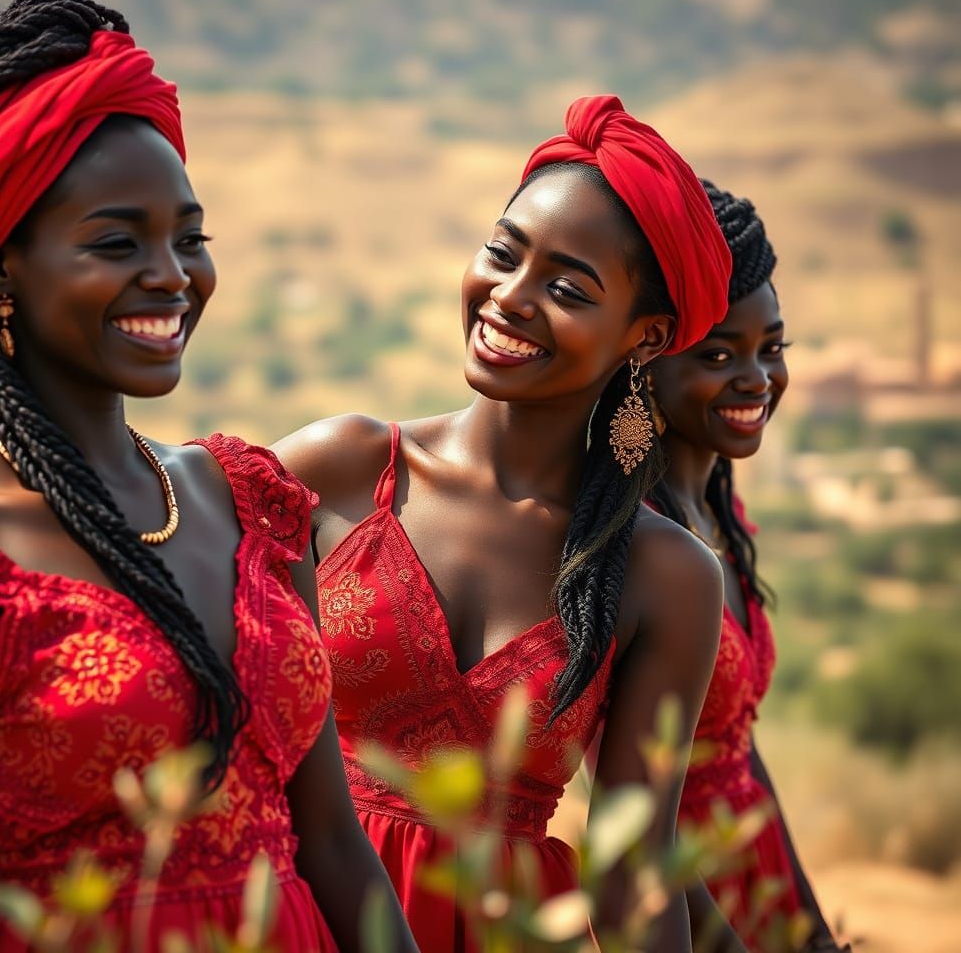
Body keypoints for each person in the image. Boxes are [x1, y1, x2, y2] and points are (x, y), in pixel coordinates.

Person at [0, 0, 416, 952]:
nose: (171, 275)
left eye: (188, 238)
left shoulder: (248, 503)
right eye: (117, 243)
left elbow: (330, 840)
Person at [275, 95, 732, 952]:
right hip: (299, 922)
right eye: (502, 254)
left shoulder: (664, 575)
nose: (509, 297)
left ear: (647, 337)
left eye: (565, 288)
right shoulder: (342, 468)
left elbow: (635, 862)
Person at [647, 182, 846, 953]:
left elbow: (743, 757)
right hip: (686, 905)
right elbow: (631, 818)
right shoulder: (635, 549)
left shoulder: (719, 520)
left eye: (773, 349)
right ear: (645, 361)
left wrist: (812, 931)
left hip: (757, 879)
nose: (759, 379)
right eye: (720, 354)